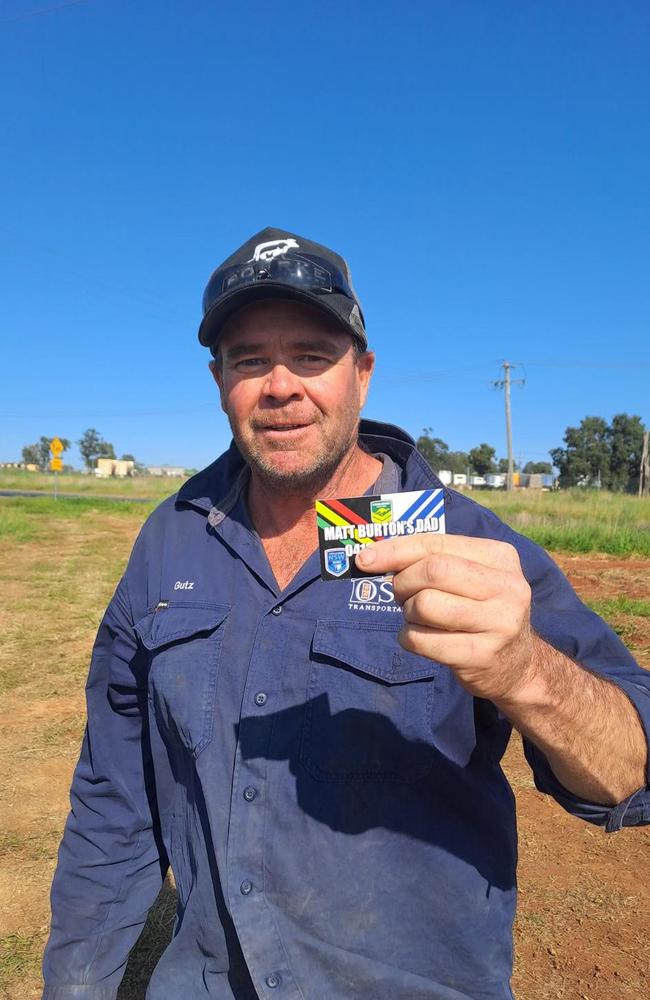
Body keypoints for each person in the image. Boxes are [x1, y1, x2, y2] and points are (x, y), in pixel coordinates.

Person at [43, 228, 650, 1000]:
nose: (280, 385)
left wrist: (527, 671)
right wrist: (75, 984)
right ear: (219, 378)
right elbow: (112, 796)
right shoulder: (170, 540)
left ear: (362, 374)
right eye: (250, 359)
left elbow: (630, 765)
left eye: (310, 354)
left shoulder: (467, 542)